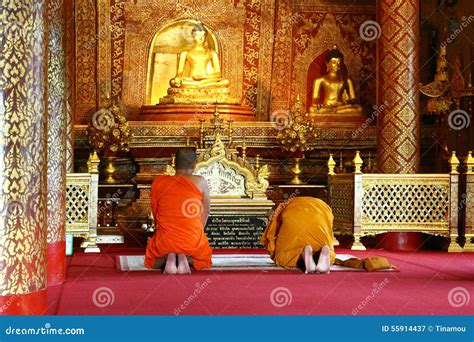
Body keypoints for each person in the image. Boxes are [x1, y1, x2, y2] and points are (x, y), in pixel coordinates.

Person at [144, 148, 212, 274]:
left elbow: (155, 212)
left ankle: (169, 257)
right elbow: (206, 211)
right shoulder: (200, 181)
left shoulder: (159, 182)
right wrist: (199, 233)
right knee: (202, 255)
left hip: (165, 240)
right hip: (191, 240)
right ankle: (184, 257)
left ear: (174, 164)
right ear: (194, 165)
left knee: (155, 254)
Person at [260, 197, 336, 274]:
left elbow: (272, 233)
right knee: (326, 246)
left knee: (281, 258)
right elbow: (330, 231)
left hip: (294, 215)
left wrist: (274, 253)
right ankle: (327, 254)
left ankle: (302, 253)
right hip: (320, 214)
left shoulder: (285, 205)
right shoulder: (324, 205)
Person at [310, 47, 362, 114]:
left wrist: (344, 103)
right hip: (327, 107)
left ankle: (336, 111)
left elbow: (353, 99)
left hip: (341, 106)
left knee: (359, 109)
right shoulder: (320, 80)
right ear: (327, 63)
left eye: (339, 62)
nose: (337, 65)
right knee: (313, 109)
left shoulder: (347, 80)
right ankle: (335, 111)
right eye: (334, 62)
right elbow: (315, 98)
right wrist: (317, 104)